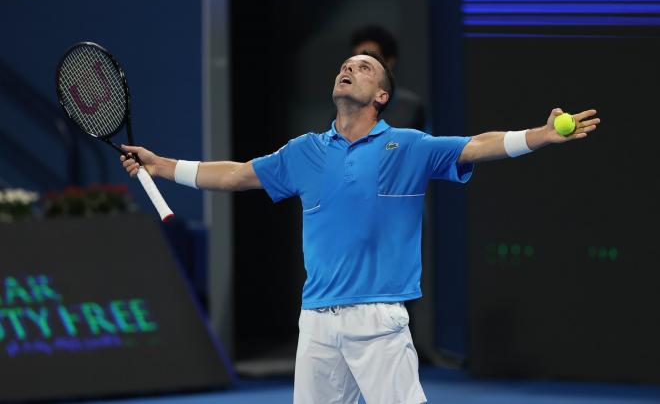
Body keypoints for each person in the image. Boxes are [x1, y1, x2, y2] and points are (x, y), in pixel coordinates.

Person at [120, 51, 599, 403]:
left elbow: (477, 145)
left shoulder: (410, 146)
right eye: (345, 66)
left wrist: (538, 136)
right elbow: (236, 173)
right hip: (316, 322)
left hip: (378, 321)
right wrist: (163, 165)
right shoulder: (302, 151)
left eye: (364, 67)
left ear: (382, 95)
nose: (348, 69)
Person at [350, 25, 426, 131]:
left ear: (389, 62)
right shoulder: (343, 112)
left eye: (369, 61)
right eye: (355, 61)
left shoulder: (411, 109)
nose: (359, 69)